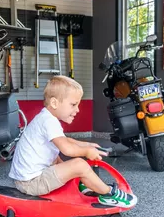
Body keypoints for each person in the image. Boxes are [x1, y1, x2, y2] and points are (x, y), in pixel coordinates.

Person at [9, 76, 137, 208]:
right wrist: (86, 151)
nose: (77, 110)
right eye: (73, 104)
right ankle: (108, 194)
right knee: (79, 165)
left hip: (28, 179)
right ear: (54, 103)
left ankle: (77, 182)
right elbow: (67, 149)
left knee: (56, 155)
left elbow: (65, 140)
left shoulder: (45, 118)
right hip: (32, 183)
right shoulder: (48, 121)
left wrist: (86, 144)